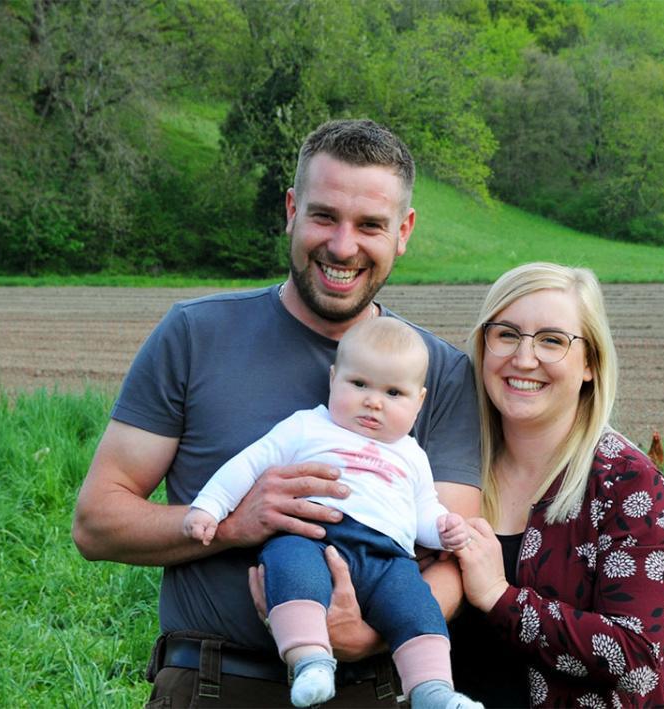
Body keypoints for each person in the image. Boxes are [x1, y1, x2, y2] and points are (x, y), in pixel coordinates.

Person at [72, 119, 482, 708]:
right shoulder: (195, 335)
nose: (343, 246)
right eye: (324, 216)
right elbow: (96, 523)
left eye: (370, 225)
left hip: (372, 690)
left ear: (404, 231)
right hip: (213, 683)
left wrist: (359, 637)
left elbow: (450, 559)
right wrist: (236, 525)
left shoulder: (439, 375)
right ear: (291, 209)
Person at [181, 317, 479, 708]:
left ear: (419, 401)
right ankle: (311, 663)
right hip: (312, 535)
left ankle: (432, 690)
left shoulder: (411, 454)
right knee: (292, 574)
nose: (373, 401)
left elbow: (423, 509)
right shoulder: (308, 426)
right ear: (334, 378)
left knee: (416, 605)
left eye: (393, 392)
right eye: (359, 384)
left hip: (387, 557)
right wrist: (210, 505)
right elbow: (250, 464)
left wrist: (443, 531)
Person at [451, 262, 664, 708]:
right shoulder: (449, 464)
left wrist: (501, 598)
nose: (523, 358)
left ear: (590, 363)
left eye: (552, 340)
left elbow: (634, 656)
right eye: (506, 334)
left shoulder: (627, 484)